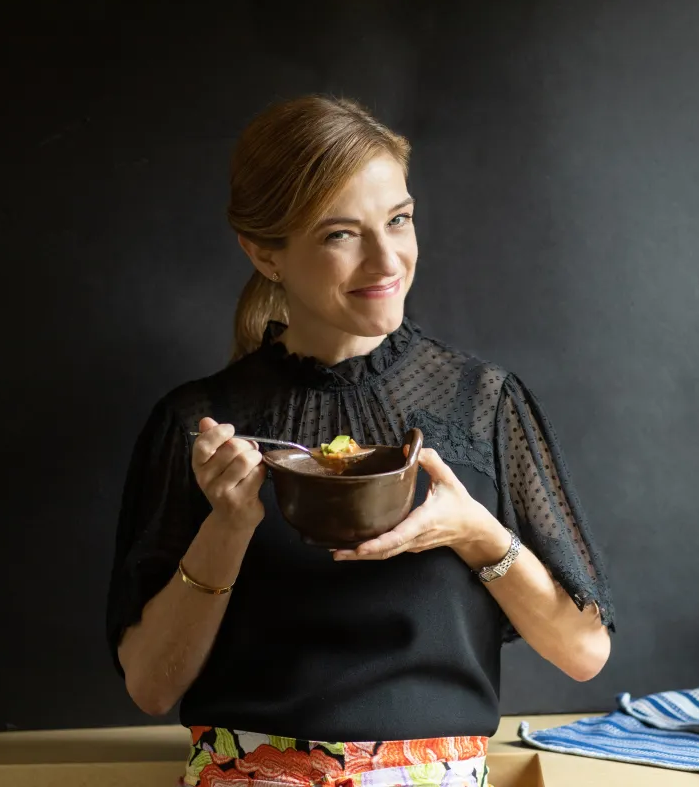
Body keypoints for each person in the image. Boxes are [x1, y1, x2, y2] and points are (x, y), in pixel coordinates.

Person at [106, 95, 614, 787]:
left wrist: (475, 533)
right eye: (340, 234)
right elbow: (150, 685)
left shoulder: (486, 404)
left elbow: (584, 652)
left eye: (398, 220)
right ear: (264, 251)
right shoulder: (199, 424)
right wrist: (227, 523)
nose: (386, 260)